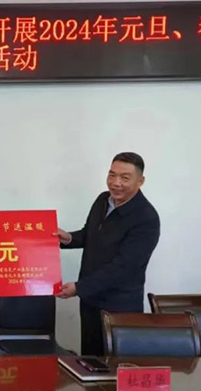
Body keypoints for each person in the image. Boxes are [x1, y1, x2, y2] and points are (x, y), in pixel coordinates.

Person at [56, 152, 160, 355]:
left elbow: (123, 267)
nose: (116, 183)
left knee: (115, 366)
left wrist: (79, 288)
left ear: (140, 181)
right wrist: (68, 238)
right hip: (90, 301)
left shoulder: (146, 218)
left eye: (125, 177)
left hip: (119, 307)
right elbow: (91, 234)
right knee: (90, 361)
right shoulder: (103, 200)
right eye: (112, 175)